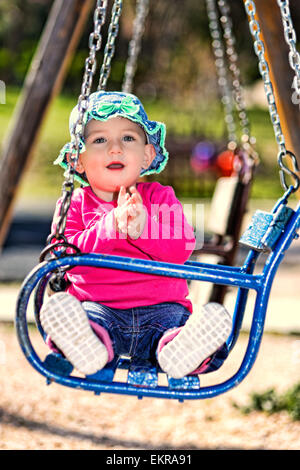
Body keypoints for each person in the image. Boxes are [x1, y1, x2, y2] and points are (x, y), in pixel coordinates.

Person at [40, 91, 232, 380]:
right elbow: (64, 257)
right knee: (78, 320)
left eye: (127, 138)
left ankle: (177, 351)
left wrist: (144, 228)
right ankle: (91, 349)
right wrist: (111, 227)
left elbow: (182, 247)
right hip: (98, 309)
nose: (115, 148)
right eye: (99, 140)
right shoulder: (75, 204)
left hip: (163, 312)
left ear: (147, 154)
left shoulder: (160, 197)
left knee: (177, 331)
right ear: (77, 160)